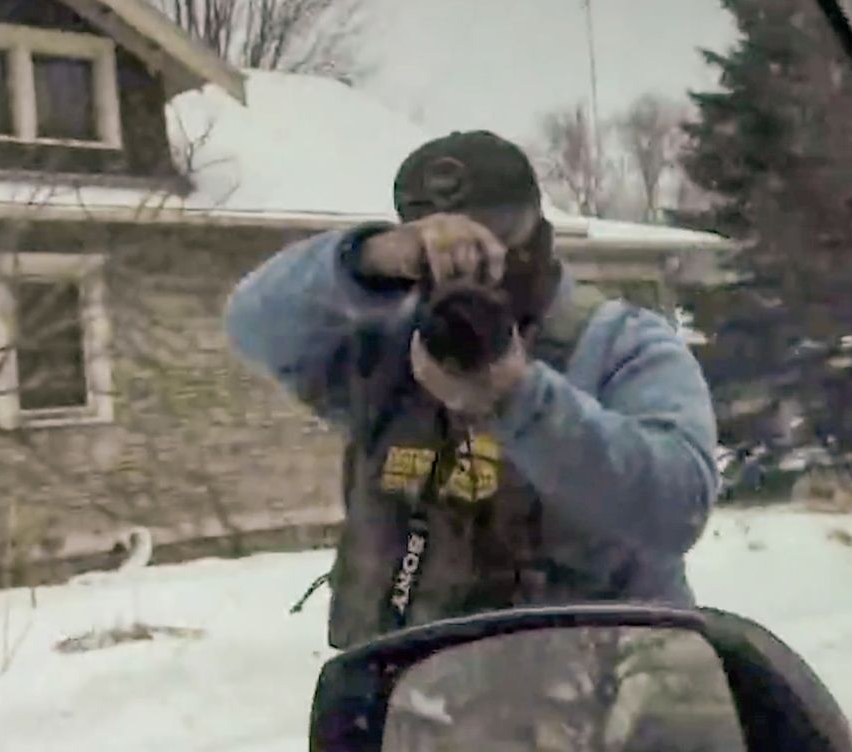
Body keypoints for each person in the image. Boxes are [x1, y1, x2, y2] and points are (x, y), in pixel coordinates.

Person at [225, 130, 720, 650]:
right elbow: (251, 323)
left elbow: (678, 506)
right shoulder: (386, 353)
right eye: (445, 252)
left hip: (599, 681)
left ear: (538, 231)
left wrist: (519, 398)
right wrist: (365, 260)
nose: (477, 268)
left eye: (493, 243)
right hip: (416, 682)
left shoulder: (620, 343)